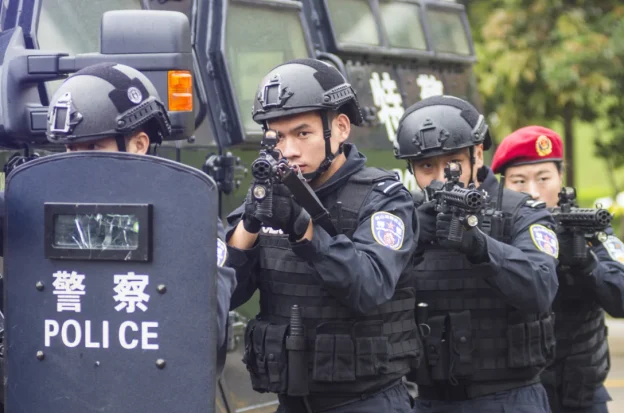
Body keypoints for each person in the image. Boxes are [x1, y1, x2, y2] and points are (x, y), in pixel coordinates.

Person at [226, 58, 419, 413]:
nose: (289, 150)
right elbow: (224, 294)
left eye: (303, 134)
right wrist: (250, 224)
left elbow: (370, 287)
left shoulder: (383, 197)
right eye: (277, 137)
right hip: (291, 401)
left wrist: (304, 230)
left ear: (341, 128)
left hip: (367, 400)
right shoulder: (268, 194)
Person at [44, 62, 236, 356]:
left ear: (138, 145)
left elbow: (208, 328)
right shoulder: (43, 207)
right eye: (71, 149)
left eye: (94, 148)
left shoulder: (188, 215)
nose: (79, 165)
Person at [394, 96, 559, 413]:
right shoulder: (406, 216)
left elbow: (541, 288)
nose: (442, 177)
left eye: (452, 163)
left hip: (509, 398)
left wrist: (480, 245)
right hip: (428, 399)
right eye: (427, 166)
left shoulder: (521, 212)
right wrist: (412, 235)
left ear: (478, 155)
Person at [491, 126, 624, 413]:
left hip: (581, 393)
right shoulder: (494, 233)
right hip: (515, 392)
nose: (534, 192)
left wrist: (586, 262)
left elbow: (621, 297)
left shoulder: (586, 227)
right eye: (519, 181)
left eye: (544, 178)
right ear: (502, 184)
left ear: (561, 178)